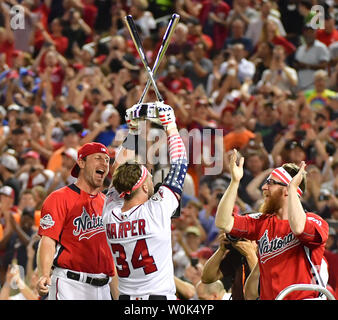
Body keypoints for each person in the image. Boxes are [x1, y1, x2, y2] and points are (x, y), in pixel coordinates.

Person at [215, 149, 329, 300]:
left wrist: (293, 189)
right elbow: (223, 222)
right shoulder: (262, 222)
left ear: (287, 190)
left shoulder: (316, 221)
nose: (264, 187)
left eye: (270, 183)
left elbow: (299, 228)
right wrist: (234, 182)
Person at [103, 101, 188, 300]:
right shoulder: (155, 211)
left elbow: (118, 171)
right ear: (143, 186)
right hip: (158, 298)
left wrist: (133, 131)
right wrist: (171, 126)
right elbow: (180, 164)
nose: (151, 177)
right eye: (148, 176)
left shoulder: (109, 214)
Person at [36, 142, 118, 300]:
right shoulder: (59, 198)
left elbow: (110, 256)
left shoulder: (107, 204)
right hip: (70, 284)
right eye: (98, 158)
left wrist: (117, 295)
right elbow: (47, 240)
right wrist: (45, 274)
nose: (104, 163)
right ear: (81, 162)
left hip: (103, 287)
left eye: (107, 160)